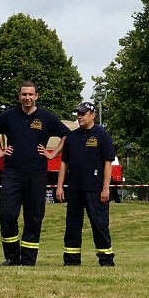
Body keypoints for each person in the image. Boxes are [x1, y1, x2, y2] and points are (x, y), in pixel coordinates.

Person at [0, 81, 68, 266]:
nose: (27, 98)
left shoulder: (46, 117)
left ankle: (29, 259)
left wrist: (52, 154)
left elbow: (66, 136)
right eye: (24, 94)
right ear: (19, 96)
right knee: (6, 214)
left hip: (37, 174)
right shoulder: (9, 116)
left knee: (34, 216)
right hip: (13, 174)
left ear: (37, 96)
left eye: (30, 94)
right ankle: (12, 258)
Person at [54, 101, 116, 266]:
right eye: (78, 114)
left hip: (95, 189)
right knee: (72, 226)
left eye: (83, 114)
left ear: (92, 115)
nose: (80, 117)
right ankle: (71, 260)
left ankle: (106, 260)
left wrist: (105, 188)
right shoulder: (72, 137)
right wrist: (60, 187)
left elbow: (108, 164)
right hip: (74, 189)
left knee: (99, 224)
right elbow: (63, 163)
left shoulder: (103, 136)